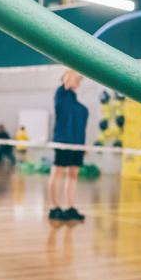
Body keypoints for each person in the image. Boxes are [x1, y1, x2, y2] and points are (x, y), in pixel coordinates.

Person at [48, 71, 89, 221]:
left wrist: (83, 146)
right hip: (64, 141)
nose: (79, 81)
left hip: (77, 144)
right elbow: (69, 77)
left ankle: (71, 208)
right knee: (57, 173)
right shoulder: (62, 94)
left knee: (73, 175)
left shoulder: (74, 99)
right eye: (77, 78)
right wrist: (75, 70)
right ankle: (54, 207)